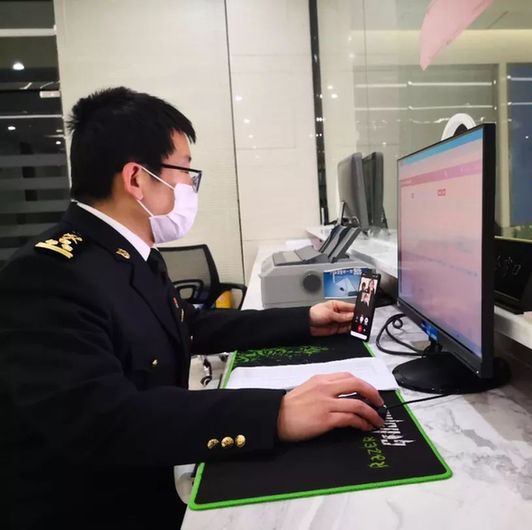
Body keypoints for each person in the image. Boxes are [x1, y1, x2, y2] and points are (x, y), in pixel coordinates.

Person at [0, 87, 385, 530]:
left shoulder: (128, 252)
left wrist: (305, 320)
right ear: (136, 178)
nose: (188, 186)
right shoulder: (48, 275)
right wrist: (276, 413)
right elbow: (104, 420)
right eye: (184, 170)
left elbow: (188, 324)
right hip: (94, 506)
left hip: (147, 472)